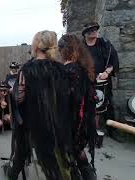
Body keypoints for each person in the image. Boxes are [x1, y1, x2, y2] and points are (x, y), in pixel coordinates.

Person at [4, 30, 73, 180]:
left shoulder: (27, 69)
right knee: (55, 158)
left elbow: (20, 98)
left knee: (22, 150)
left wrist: (13, 91)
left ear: (36, 45)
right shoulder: (61, 69)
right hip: (56, 122)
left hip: (33, 124)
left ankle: (12, 174)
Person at [58, 34, 97, 180]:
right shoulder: (85, 70)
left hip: (71, 124)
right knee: (80, 154)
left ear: (63, 50)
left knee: (70, 159)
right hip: (85, 122)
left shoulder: (66, 71)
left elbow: (68, 102)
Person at [82, 22, 121, 142]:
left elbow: (113, 60)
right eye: (90, 30)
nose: (93, 31)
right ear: (85, 34)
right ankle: (85, 132)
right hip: (87, 82)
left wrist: (107, 72)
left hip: (103, 81)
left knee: (108, 105)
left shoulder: (104, 44)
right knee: (86, 107)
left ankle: (112, 132)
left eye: (95, 29)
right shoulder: (81, 47)